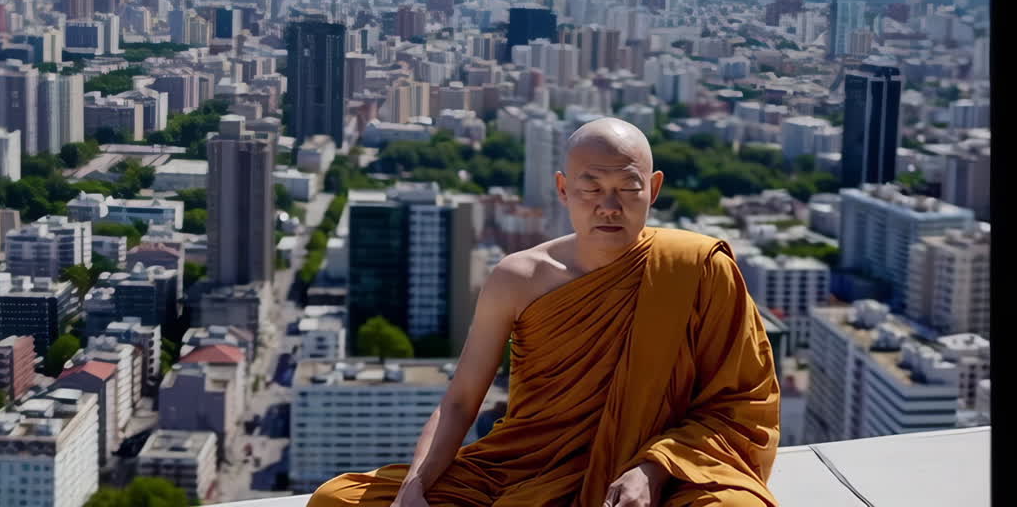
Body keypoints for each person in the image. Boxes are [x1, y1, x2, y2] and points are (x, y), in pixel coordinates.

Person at [308, 118, 780, 507]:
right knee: (336, 500)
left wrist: (652, 469)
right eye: (591, 188)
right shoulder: (518, 277)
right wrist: (414, 487)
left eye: (627, 188)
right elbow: (459, 401)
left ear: (653, 189)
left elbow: (740, 406)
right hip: (525, 467)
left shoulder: (697, 267)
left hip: (658, 472)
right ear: (562, 188)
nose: (609, 207)